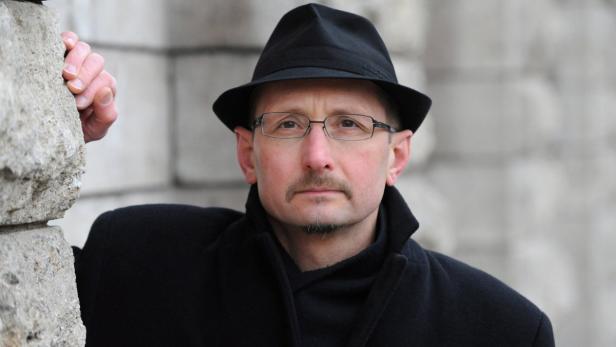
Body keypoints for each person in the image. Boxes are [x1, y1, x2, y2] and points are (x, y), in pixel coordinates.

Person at [64, 3, 555, 347]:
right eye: (289, 124)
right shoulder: (140, 265)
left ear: (396, 156)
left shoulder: (500, 329)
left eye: (349, 124)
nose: (317, 155)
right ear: (248, 153)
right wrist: (57, 127)